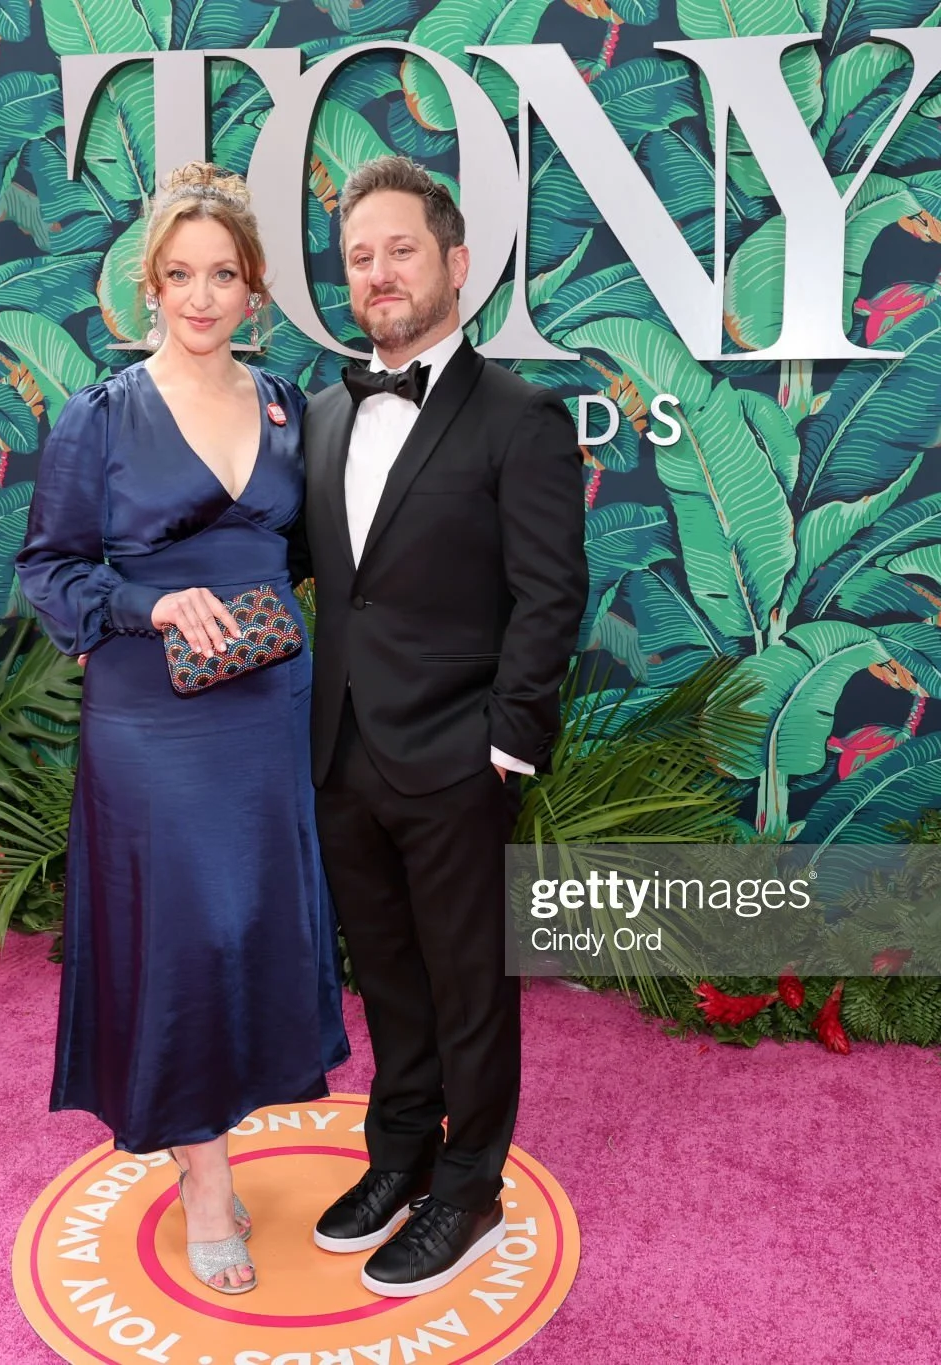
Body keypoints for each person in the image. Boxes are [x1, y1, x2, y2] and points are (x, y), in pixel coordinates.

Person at [15, 162, 350, 1296]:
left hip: (263, 710)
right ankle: (203, 1178)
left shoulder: (283, 405)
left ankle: (220, 1126)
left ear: (253, 291)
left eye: (223, 276)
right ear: (145, 286)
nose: (199, 297)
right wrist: (144, 602)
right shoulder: (97, 418)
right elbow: (48, 568)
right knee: (182, 936)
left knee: (251, 926)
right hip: (151, 719)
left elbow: (302, 555)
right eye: (178, 275)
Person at [296, 156, 588, 1297]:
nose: (378, 273)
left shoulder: (520, 418)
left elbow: (548, 593)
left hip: (461, 759)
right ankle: (399, 1153)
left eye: (399, 249)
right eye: (359, 255)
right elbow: (307, 573)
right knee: (391, 981)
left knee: (469, 987)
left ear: (456, 265)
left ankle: (469, 1186)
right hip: (342, 756)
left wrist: (504, 749)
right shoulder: (322, 412)